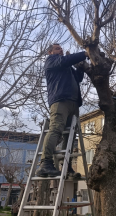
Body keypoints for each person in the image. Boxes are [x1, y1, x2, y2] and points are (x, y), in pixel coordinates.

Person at [36, 43, 88, 177]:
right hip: (60, 101)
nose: (61, 50)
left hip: (73, 103)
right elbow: (66, 60)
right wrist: (84, 53)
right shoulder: (52, 61)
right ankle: (45, 163)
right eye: (57, 48)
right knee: (56, 128)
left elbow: (78, 79)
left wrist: (81, 68)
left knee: (70, 135)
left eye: (61, 48)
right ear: (50, 52)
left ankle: (66, 166)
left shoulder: (67, 67)